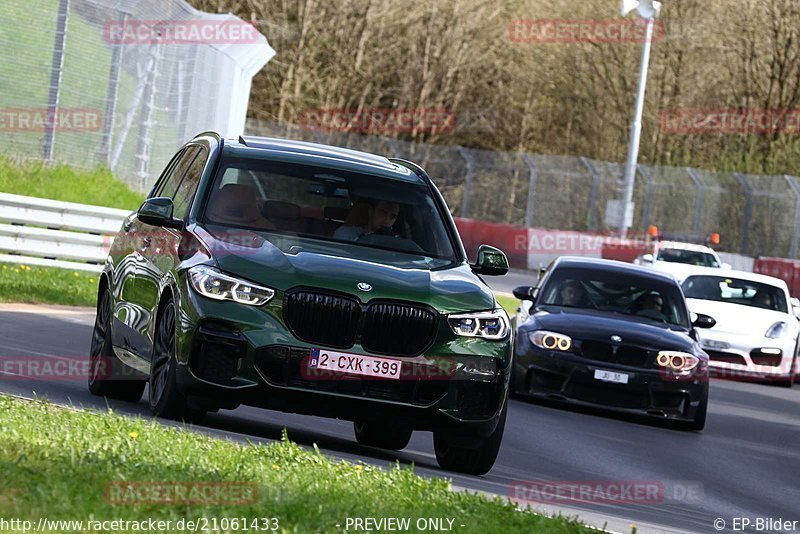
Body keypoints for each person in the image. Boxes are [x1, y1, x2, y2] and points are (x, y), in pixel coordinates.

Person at [334, 200, 400, 241]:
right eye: (382, 213)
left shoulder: (396, 243)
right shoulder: (345, 234)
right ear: (371, 212)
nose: (386, 220)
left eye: (392, 216)